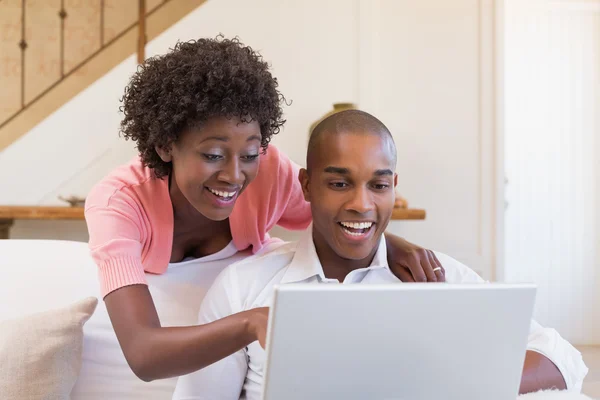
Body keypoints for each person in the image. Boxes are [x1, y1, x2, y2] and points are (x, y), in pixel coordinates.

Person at [84, 36, 445, 382]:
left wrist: (391, 243)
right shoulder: (119, 203)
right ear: (165, 145)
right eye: (212, 155)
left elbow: (340, 214)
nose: (234, 175)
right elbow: (144, 353)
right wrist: (252, 322)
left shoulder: (271, 172)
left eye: (250, 154)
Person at [172, 110, 588, 399]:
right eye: (339, 184)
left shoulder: (436, 279)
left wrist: (453, 384)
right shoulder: (245, 288)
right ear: (306, 185)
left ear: (394, 186)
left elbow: (563, 358)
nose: (362, 205)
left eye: (379, 185)